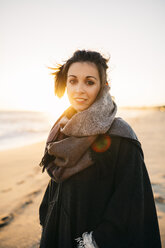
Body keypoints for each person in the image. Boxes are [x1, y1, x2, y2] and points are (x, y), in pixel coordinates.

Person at [39, 50, 162, 248]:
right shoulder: (61, 130)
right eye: (72, 81)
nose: (79, 89)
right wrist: (47, 216)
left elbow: (131, 201)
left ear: (103, 86)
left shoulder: (120, 134)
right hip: (58, 233)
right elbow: (56, 185)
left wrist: (96, 241)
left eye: (89, 82)